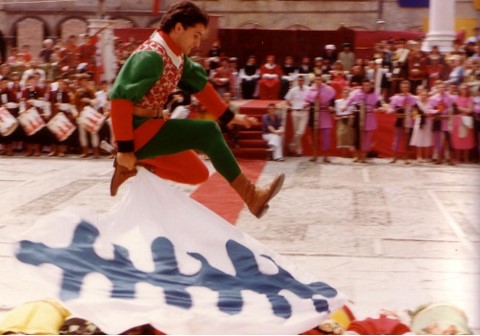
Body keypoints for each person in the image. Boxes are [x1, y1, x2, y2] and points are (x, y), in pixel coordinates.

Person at [108, 0, 284, 219]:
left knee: (197, 173)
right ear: (179, 27)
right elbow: (119, 100)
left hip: (152, 126)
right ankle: (251, 196)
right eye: (196, 34)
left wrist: (229, 116)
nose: (198, 42)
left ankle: (134, 165)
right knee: (208, 132)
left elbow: (200, 86)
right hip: (136, 133)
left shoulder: (175, 55)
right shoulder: (151, 55)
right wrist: (125, 149)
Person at [343, 79, 383, 163]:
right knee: (357, 137)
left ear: (370, 86)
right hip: (359, 115)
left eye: (368, 85)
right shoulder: (356, 92)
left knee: (367, 137)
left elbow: (379, 104)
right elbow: (349, 100)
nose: (366, 87)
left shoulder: (374, 94)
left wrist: (379, 108)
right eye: (365, 85)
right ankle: (357, 155)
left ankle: (364, 155)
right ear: (362, 85)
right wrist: (345, 106)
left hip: (369, 116)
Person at [304, 74, 336, 163]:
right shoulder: (309, 90)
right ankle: (314, 155)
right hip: (314, 114)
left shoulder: (328, 90)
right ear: (314, 81)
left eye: (319, 80)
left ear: (322, 80)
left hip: (325, 114)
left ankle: (326, 156)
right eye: (316, 80)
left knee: (326, 137)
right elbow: (307, 101)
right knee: (314, 136)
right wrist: (306, 104)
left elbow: (332, 101)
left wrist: (331, 107)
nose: (318, 81)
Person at [387, 80, 417, 164]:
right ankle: (394, 156)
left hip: (408, 119)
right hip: (399, 118)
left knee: (407, 139)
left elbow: (416, 110)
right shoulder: (396, 98)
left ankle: (406, 158)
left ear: (409, 88)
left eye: (406, 87)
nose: (405, 89)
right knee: (397, 138)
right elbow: (391, 108)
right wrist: (392, 110)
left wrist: (414, 117)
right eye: (403, 87)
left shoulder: (413, 98)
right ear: (400, 88)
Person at [284, 75, 308, 156]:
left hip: (304, 112)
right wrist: (292, 105)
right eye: (299, 80)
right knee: (296, 131)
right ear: (297, 81)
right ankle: (299, 151)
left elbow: (311, 99)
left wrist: (308, 103)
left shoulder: (308, 89)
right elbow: (287, 99)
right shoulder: (293, 90)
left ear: (304, 81)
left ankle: (291, 144)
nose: (300, 82)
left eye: (302, 80)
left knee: (300, 132)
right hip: (295, 112)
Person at [409, 87, 433, 162]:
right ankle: (419, 156)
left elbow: (433, 113)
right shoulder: (417, 104)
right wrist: (421, 115)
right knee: (419, 139)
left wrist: (429, 115)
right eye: (422, 95)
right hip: (419, 122)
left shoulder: (430, 103)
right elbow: (413, 115)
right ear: (420, 95)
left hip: (428, 123)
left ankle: (426, 156)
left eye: (425, 95)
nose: (424, 96)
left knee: (427, 139)